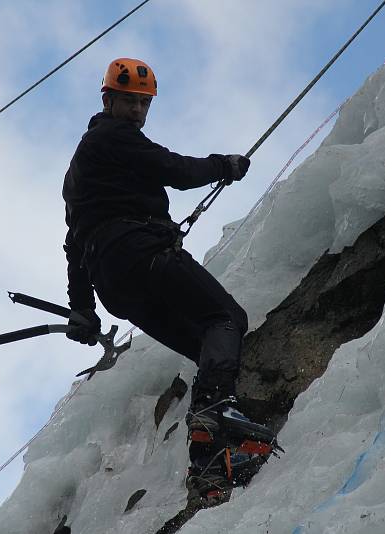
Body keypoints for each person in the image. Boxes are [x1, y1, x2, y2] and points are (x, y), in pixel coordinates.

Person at [62, 58, 275, 497]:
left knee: (208, 347)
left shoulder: (79, 171)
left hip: (116, 286)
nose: (138, 111)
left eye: (144, 103)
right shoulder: (113, 136)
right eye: (130, 101)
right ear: (108, 100)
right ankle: (216, 413)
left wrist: (82, 308)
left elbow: (74, 241)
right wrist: (223, 165)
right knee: (226, 318)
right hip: (144, 254)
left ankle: (209, 462)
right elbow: (176, 171)